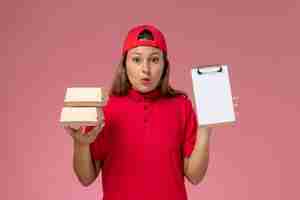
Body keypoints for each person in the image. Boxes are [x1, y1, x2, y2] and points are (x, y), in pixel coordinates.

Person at [65, 24, 214, 200]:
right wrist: (81, 144)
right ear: (124, 64)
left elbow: (195, 176)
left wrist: (205, 130)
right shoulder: (105, 107)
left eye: (154, 60)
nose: (146, 69)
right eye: (136, 59)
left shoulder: (182, 107)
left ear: (165, 65)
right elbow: (86, 178)